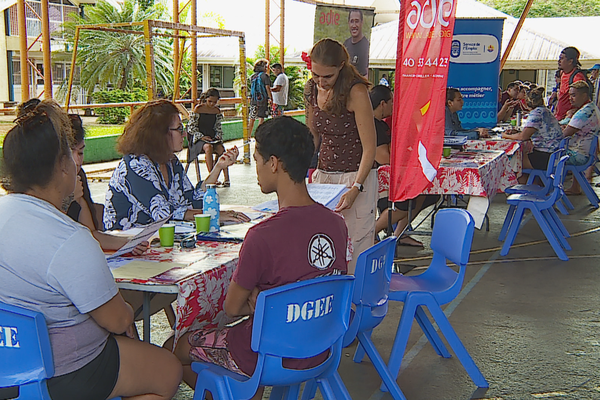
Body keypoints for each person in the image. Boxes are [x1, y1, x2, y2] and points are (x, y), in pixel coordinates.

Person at [0, 99, 182, 400]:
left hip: (8, 366)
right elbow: (119, 321)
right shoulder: (69, 238)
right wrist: (124, 307)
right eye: (72, 156)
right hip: (65, 372)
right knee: (168, 370)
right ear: (61, 166)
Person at [166, 116, 350, 399]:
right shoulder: (336, 223)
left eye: (257, 159)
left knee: (174, 347)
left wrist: (259, 302)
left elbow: (231, 307)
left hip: (263, 354)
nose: (256, 169)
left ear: (274, 163)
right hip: (319, 347)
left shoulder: (263, 235)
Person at [104, 99, 249, 231]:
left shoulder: (170, 161)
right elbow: (164, 213)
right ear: (159, 134)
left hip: (157, 241)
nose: (185, 134)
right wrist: (213, 215)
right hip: (127, 246)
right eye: (179, 129)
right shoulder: (136, 165)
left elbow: (193, 200)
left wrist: (218, 167)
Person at [304, 38, 377, 274]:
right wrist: (300, 168)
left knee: (356, 247)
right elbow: (313, 137)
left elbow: (370, 147)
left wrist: (356, 187)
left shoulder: (355, 91)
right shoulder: (311, 89)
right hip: (324, 177)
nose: (321, 81)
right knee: (322, 245)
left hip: (356, 176)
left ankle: (355, 306)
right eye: (316, 75)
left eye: (327, 77)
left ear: (342, 67)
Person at [369, 85, 439, 247]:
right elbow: (384, 157)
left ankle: (399, 234)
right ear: (382, 104)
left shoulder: (383, 125)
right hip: (380, 179)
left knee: (423, 193)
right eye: (392, 101)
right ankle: (371, 232)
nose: (394, 105)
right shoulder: (373, 125)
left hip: (396, 173)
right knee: (403, 203)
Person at [502, 86, 563, 180]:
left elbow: (523, 137)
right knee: (520, 157)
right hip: (555, 154)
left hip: (546, 157)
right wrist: (517, 132)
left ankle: (518, 189)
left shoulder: (536, 113)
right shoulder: (545, 111)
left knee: (512, 162)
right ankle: (531, 184)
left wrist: (505, 135)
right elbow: (532, 131)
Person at [561, 80, 600, 194]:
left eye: (573, 95)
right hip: (586, 151)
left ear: (584, 95)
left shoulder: (584, 113)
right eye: (570, 95)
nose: (570, 98)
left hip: (579, 154)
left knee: (545, 154)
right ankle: (575, 187)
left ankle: (543, 188)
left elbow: (564, 134)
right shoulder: (592, 107)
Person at [186, 88, 230, 187]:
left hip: (212, 137)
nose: (212, 104)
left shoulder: (217, 111)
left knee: (221, 149)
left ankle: (226, 178)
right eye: (210, 101)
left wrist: (218, 136)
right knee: (208, 148)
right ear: (206, 99)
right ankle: (212, 177)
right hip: (199, 139)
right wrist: (202, 137)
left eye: (214, 102)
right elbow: (191, 127)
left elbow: (218, 127)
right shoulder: (198, 109)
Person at [555, 47, 587, 121]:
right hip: (559, 117)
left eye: (562, 58)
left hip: (570, 119)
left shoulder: (577, 77)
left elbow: (582, 100)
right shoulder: (562, 73)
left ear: (570, 61)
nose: (559, 61)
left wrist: (573, 112)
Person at [248, 59, 272, 136]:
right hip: (262, 100)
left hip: (253, 100)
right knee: (261, 119)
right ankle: (258, 136)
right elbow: (267, 88)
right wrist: (270, 98)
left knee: (252, 118)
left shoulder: (252, 77)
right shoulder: (265, 76)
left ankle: (247, 136)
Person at [343, 9, 370, 78]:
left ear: (362, 22)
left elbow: (366, 74)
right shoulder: (345, 44)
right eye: (352, 21)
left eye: (357, 21)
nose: (354, 25)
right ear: (348, 23)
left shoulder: (366, 46)